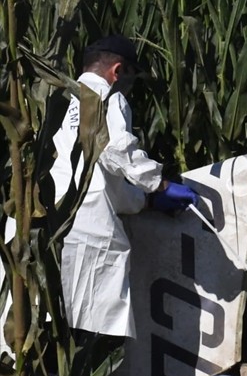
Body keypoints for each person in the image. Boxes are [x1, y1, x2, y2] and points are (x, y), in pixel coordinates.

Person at [49, 35, 198, 339]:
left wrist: (145, 201)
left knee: (41, 330)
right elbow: (116, 148)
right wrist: (158, 183)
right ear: (118, 71)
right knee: (86, 338)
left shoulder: (55, 99)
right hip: (86, 231)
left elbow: (100, 178)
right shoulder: (106, 97)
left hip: (42, 229)